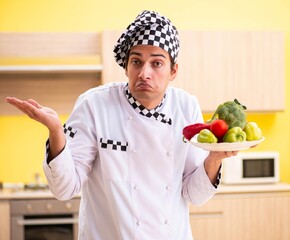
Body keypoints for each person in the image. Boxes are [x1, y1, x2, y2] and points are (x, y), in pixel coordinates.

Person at [6, 10, 237, 240]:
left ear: (173, 71)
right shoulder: (95, 105)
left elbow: (194, 194)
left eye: (157, 63)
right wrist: (56, 131)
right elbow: (64, 188)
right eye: (136, 61)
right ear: (126, 67)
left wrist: (214, 158)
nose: (144, 73)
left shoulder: (186, 106)